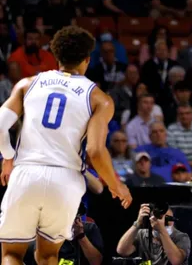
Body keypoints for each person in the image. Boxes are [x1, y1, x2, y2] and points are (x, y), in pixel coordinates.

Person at [0, 26, 131, 265]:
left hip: (26, 172)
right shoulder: (99, 98)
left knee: (11, 254)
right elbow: (95, 151)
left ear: (56, 56)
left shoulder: (27, 84)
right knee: (49, 255)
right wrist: (116, 185)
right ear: (88, 60)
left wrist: (8, 157)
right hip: (66, 180)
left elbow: (0, 125)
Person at [116, 205, 191, 265]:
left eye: (167, 218)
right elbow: (122, 251)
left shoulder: (181, 237)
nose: (163, 222)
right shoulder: (142, 234)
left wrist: (161, 230)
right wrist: (138, 223)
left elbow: (176, 261)